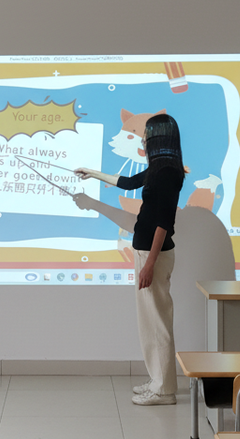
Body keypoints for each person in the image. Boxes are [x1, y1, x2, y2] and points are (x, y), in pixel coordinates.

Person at [75, 114, 186, 406]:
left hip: (154, 256)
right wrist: (92, 174)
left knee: (157, 322)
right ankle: (159, 380)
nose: (143, 141)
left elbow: (163, 223)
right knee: (149, 322)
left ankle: (164, 391)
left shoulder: (167, 173)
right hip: (146, 253)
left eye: (147, 136)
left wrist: (149, 264)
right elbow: (127, 183)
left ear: (159, 138)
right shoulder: (159, 168)